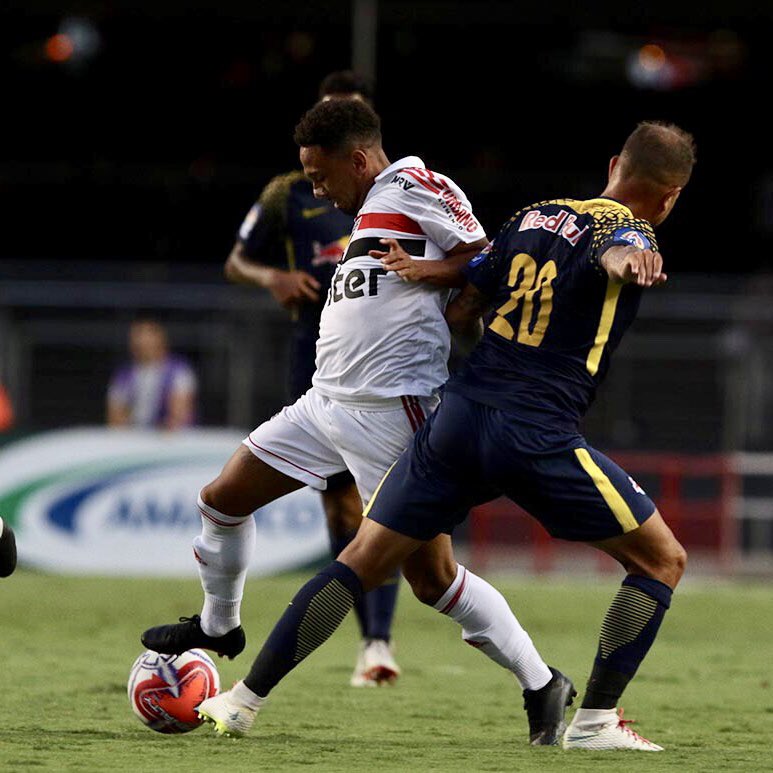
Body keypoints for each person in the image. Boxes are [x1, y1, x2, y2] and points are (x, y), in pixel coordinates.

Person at [194, 120, 694, 752]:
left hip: (457, 417)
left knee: (362, 561)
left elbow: (466, 300)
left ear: (615, 160)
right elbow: (617, 244)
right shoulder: (633, 229)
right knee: (661, 559)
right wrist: (631, 257)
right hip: (535, 431)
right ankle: (595, 722)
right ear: (670, 196)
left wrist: (423, 279)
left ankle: (242, 701)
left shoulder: (536, 214)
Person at [144, 98, 574, 745]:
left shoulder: (414, 185)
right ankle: (217, 625)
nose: (318, 190)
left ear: (359, 158)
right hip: (324, 402)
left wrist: (448, 287)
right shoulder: (368, 214)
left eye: (320, 176)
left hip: (392, 411)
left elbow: (490, 256)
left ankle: (541, 682)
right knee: (221, 498)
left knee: (431, 579)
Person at [223, 71, 402, 687]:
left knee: (388, 508)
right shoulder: (288, 193)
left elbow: (469, 258)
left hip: (386, 363)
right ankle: (367, 638)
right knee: (341, 503)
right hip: (316, 356)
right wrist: (270, 277)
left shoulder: (401, 193)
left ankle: (378, 642)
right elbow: (236, 260)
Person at [107, 317, 197, 430]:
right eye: (136, 336)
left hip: (169, 438)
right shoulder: (123, 375)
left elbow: (179, 414)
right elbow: (115, 416)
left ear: (161, 339)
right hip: (134, 437)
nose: (140, 342)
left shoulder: (179, 371)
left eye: (146, 336)